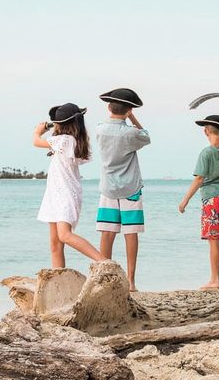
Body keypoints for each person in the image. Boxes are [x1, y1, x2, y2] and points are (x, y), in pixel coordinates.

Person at [178, 91, 219, 290]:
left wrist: (185, 200)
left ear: (206, 131)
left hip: (211, 200)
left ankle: (215, 279)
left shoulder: (206, 153)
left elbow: (199, 179)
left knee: (214, 240)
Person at [34, 102, 105, 267]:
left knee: (64, 235)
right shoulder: (69, 141)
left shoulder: (65, 140)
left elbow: (36, 141)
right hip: (54, 195)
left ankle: (104, 261)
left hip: (65, 194)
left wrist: (38, 131)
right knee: (55, 244)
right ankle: (58, 280)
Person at [95, 87, 150, 291]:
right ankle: (131, 281)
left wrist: (124, 115)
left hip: (108, 188)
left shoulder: (100, 129)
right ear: (129, 111)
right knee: (131, 234)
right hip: (130, 188)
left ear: (109, 107)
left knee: (107, 233)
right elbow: (146, 136)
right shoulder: (130, 133)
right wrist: (133, 119)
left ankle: (103, 278)